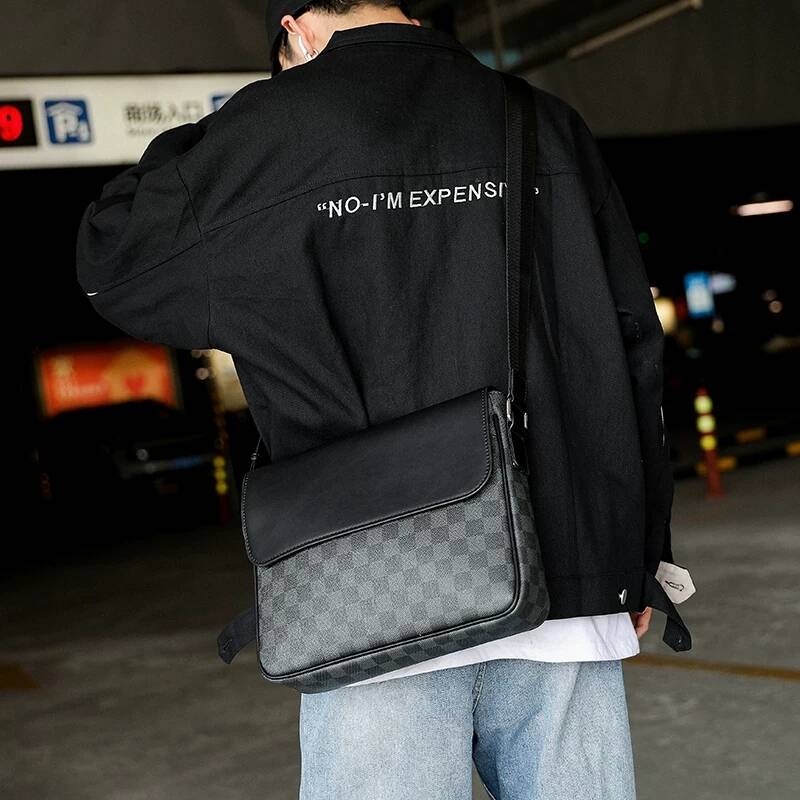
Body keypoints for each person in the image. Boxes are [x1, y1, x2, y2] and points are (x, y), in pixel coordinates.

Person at [75, 1, 695, 797]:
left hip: (370, 597)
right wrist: (637, 554)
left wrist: (249, 120)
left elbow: (111, 252)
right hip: (566, 582)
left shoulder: (270, 133)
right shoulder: (542, 121)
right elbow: (630, 347)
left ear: (294, 29)